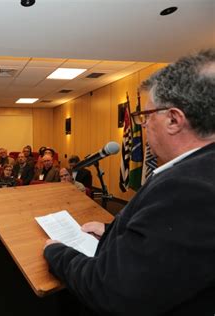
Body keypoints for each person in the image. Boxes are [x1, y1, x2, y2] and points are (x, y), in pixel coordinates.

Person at [44, 50, 215, 315]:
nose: (144, 125)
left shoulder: (187, 189)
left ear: (173, 119)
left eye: (146, 115)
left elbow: (111, 290)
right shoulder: (200, 170)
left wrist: (57, 252)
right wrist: (112, 231)